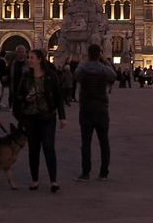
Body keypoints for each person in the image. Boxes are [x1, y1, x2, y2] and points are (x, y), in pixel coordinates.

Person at [12, 48, 67, 191]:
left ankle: (53, 181)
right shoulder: (26, 76)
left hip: (47, 115)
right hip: (30, 117)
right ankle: (35, 180)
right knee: (34, 149)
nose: (29, 60)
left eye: (31, 57)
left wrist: (62, 116)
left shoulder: (51, 75)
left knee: (49, 148)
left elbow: (58, 96)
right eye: (28, 57)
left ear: (40, 59)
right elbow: (18, 95)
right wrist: (26, 99)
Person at [74, 44, 117, 181]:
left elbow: (77, 77)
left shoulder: (82, 69)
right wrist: (106, 61)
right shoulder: (104, 69)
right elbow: (113, 77)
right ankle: (103, 172)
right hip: (101, 107)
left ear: (88, 54)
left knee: (86, 142)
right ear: (100, 54)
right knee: (104, 141)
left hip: (86, 107)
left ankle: (85, 173)